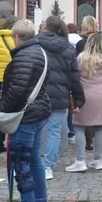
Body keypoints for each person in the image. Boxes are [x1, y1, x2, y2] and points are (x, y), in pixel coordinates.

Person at [0, 19, 51, 202]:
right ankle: (41, 201)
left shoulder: (23, 56)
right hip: (38, 112)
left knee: (21, 162)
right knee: (35, 159)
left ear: (16, 37)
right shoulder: (40, 51)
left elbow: (17, 91)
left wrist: (3, 109)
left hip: (26, 116)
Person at [35, 16, 83, 181]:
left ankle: (35, 163)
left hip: (38, 94)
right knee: (54, 131)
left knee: (36, 129)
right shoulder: (68, 48)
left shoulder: (35, 44)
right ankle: (48, 166)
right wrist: (78, 98)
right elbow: (75, 77)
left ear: (45, 27)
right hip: (60, 94)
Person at [66, 32, 102, 173]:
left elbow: (76, 75)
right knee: (99, 127)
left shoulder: (81, 57)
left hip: (85, 94)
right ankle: (97, 160)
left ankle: (80, 160)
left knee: (79, 126)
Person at [0, 16, 19, 154]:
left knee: (2, 108)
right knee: (15, 109)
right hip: (13, 77)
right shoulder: (15, 39)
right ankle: (14, 141)